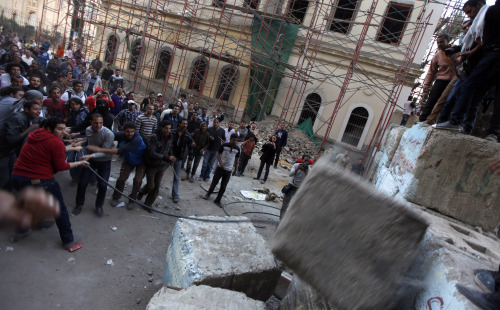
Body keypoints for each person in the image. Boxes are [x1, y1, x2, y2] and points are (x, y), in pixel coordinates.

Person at [11, 117, 88, 251]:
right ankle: (69, 241)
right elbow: (61, 166)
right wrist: (80, 163)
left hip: (18, 177)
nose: (63, 132)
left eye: (64, 129)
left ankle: (21, 231)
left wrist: (70, 148)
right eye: (59, 129)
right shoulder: (55, 142)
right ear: (49, 128)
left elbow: (49, 148)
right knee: (60, 210)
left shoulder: (35, 134)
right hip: (40, 180)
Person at [87, 122, 146, 210]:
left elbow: (121, 151)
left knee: (137, 181)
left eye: (132, 132)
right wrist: (84, 141)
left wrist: (100, 149)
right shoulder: (121, 135)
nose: (130, 134)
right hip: (129, 160)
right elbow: (106, 136)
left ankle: (132, 199)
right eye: (127, 132)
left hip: (141, 161)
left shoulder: (137, 139)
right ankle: (116, 197)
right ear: (123, 131)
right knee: (121, 179)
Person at [72, 114, 115, 217]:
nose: (98, 125)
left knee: (103, 185)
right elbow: (89, 141)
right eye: (95, 123)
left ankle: (99, 206)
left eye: (100, 123)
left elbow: (105, 151)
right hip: (91, 160)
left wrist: (91, 155)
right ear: (91, 122)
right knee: (82, 183)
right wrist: (79, 144)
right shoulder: (88, 130)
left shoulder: (108, 134)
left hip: (104, 161)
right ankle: (79, 205)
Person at [418, 34, 457, 122]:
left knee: (448, 102)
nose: (439, 44)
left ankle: (442, 121)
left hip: (454, 81)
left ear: (448, 41)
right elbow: (431, 71)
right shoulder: (437, 55)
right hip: (440, 81)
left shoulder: (457, 51)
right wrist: (426, 85)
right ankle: (423, 120)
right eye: (438, 43)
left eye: (442, 42)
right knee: (432, 100)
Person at [137, 121, 175, 209]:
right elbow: (151, 152)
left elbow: (170, 149)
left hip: (162, 165)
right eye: (166, 128)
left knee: (156, 187)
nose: (168, 130)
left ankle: (148, 205)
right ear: (161, 127)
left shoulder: (170, 137)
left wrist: (171, 157)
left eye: (169, 128)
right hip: (152, 164)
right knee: (151, 186)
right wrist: (166, 158)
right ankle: (142, 192)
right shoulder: (154, 137)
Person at [201, 133, 240, 208]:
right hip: (220, 168)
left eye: (236, 140)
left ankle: (218, 200)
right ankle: (208, 194)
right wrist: (220, 162)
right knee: (214, 182)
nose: (235, 142)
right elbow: (218, 154)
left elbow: (236, 160)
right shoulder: (224, 145)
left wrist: (235, 169)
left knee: (223, 186)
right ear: (230, 139)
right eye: (233, 140)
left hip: (228, 170)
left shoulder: (237, 149)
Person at [170, 119, 192, 203]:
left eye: (186, 124)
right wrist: (170, 156)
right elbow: (169, 145)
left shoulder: (188, 136)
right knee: (159, 173)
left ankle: (175, 195)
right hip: (168, 157)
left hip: (179, 159)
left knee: (176, 177)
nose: (185, 125)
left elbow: (190, 148)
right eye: (183, 123)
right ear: (179, 124)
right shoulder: (172, 132)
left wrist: (190, 159)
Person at [281, 155, 310, 219]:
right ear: (302, 160)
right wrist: (297, 169)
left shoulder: (309, 169)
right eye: (305, 161)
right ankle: (281, 220)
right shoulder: (296, 165)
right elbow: (290, 174)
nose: (306, 163)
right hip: (291, 187)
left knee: (295, 207)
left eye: (308, 161)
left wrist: (306, 172)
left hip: (299, 190)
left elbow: (309, 180)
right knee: (285, 205)